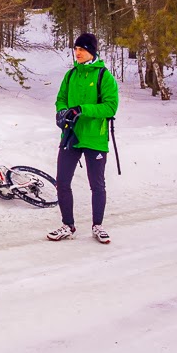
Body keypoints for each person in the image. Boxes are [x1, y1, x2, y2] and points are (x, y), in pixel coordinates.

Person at [47, 32, 119, 244]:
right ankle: (68, 225)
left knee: (97, 184)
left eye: (82, 49)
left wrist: (81, 109)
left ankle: (98, 225)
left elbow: (110, 106)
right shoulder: (70, 76)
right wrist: (62, 112)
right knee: (62, 182)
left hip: (95, 138)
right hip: (72, 135)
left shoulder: (104, 76)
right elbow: (60, 98)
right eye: (76, 49)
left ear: (92, 51)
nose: (77, 53)